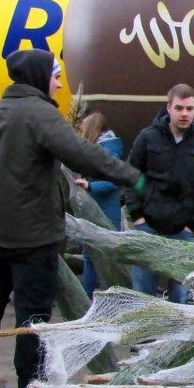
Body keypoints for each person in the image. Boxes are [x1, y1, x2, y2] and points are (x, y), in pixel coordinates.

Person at [0, 50, 143, 388]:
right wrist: (133, 177)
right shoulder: (41, 115)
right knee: (34, 326)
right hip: (32, 242)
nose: (59, 82)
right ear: (39, 75)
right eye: (55, 75)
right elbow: (84, 154)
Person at [124, 83, 194, 304]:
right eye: (179, 108)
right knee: (143, 296)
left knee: (180, 297)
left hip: (183, 232)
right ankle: (144, 339)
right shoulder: (148, 138)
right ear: (168, 108)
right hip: (147, 228)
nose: (184, 113)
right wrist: (137, 215)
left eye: (189, 108)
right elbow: (130, 175)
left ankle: (177, 338)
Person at [73, 112, 124, 297]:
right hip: (96, 210)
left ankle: (96, 298)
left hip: (105, 212)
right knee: (90, 256)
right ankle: (90, 299)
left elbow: (115, 180)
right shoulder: (103, 148)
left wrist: (90, 185)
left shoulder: (106, 151)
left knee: (102, 257)